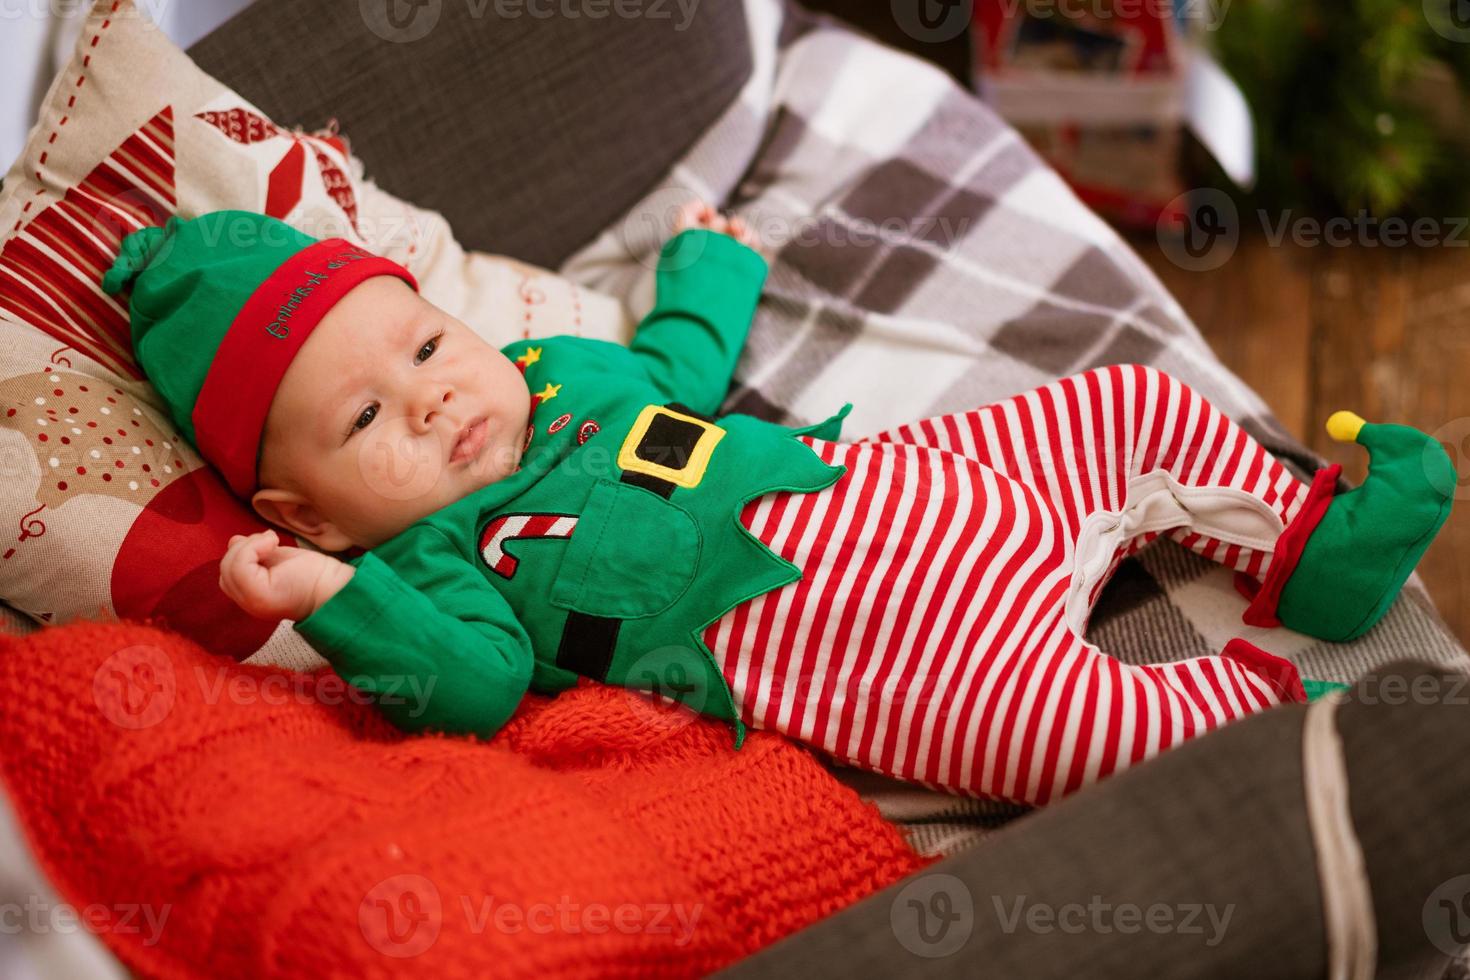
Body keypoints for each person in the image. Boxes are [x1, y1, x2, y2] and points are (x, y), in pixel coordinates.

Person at [100, 205, 1453, 806]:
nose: (433, 400)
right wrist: (339, 607)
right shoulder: (435, 564)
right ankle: (1273, 716)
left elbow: (679, 366)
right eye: (364, 421)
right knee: (1085, 731)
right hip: (895, 651)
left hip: (925, 482)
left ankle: (1303, 542)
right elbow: (469, 687)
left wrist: (708, 265)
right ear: (316, 514)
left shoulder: (556, 374)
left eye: (425, 349)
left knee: (1123, 410)